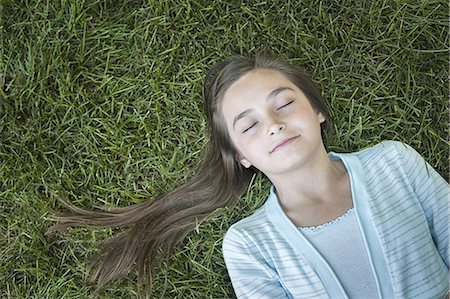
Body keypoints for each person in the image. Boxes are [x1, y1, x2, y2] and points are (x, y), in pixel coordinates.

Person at [49, 54, 449, 298]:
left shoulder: (393, 163)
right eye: (249, 125)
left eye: (284, 104)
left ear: (317, 110)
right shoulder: (249, 243)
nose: (274, 124)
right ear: (240, 155)